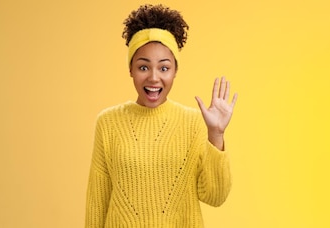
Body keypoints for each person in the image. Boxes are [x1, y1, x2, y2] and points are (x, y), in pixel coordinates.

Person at [85, 4, 238, 227]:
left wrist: (216, 134)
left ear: (175, 71)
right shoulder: (108, 123)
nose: (154, 78)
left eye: (164, 68)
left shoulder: (193, 122)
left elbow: (214, 197)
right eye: (143, 67)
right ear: (130, 69)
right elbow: (97, 203)